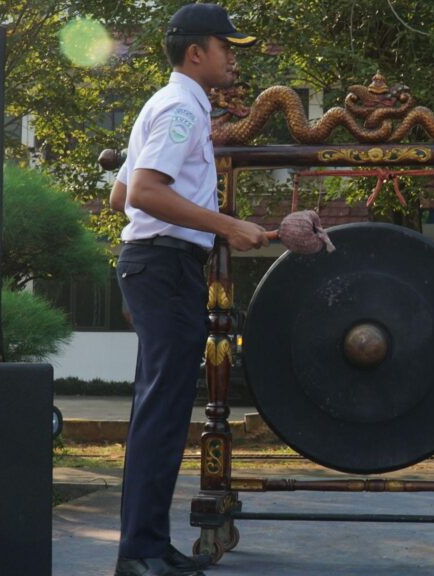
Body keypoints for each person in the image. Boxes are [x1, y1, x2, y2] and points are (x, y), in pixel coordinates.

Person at [112, 4, 269, 576]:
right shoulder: (181, 108)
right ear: (196, 52)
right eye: (226, 47)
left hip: (153, 264)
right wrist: (226, 224)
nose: (233, 58)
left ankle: (148, 544)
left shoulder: (164, 103)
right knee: (162, 412)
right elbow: (144, 195)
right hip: (163, 267)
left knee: (158, 410)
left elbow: (118, 195)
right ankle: (139, 552)